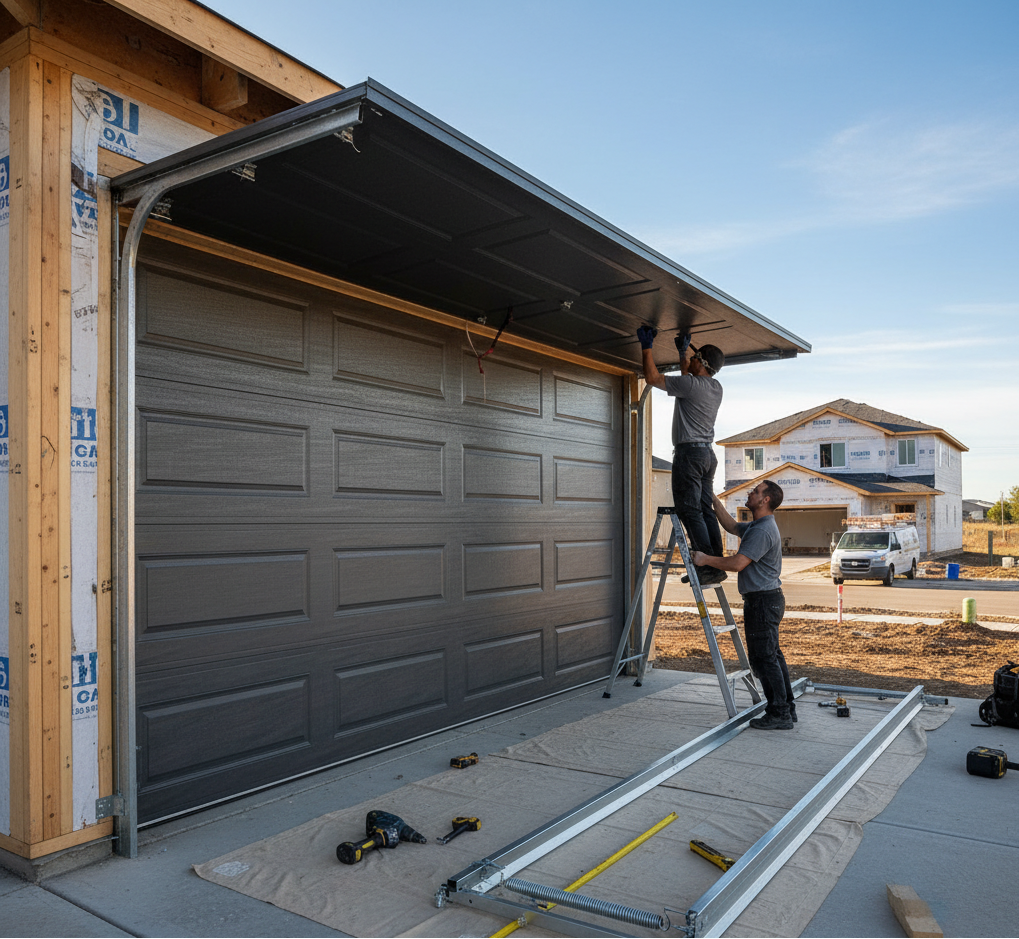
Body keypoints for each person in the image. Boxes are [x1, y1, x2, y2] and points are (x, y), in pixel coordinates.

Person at [691, 479, 796, 729]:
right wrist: (713, 499)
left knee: (764, 660)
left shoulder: (762, 530)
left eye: (756, 491)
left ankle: (779, 713)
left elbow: (738, 563)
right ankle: (786, 708)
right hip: (765, 600)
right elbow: (731, 526)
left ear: (765, 500)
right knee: (772, 657)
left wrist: (705, 559)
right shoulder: (757, 525)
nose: (750, 493)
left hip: (762, 602)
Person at [636, 325, 726, 585]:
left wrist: (647, 345)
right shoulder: (715, 387)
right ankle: (715, 563)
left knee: (689, 511)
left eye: (695, 358)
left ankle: (706, 565)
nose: (691, 361)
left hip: (689, 455)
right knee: (704, 509)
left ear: (703, 363)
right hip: (707, 456)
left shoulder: (691, 385)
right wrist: (682, 352)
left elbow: (652, 378)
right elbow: (689, 375)